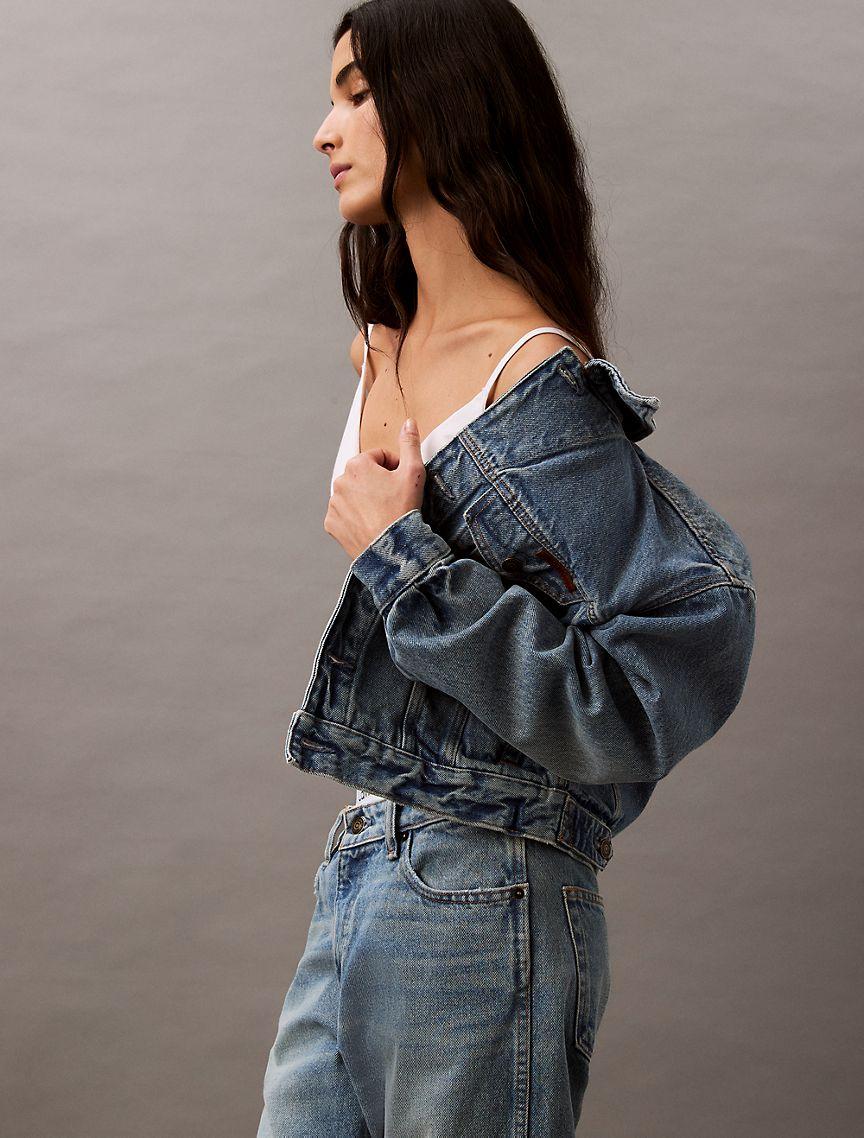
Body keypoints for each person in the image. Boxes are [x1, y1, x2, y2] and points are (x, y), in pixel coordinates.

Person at [257, 2, 757, 1135]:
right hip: (366, 870)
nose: (325, 130)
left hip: (487, 886)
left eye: (356, 94)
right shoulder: (384, 348)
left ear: (441, 100)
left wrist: (404, 561)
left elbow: (641, 693)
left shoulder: (532, 380)